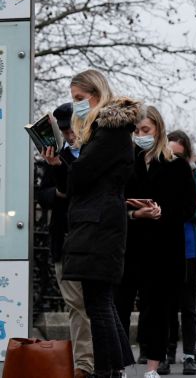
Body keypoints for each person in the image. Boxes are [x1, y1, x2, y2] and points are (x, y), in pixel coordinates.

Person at [60, 69, 140, 378]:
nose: (77, 105)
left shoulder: (109, 133)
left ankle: (108, 370)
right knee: (99, 302)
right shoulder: (107, 132)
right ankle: (112, 368)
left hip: (98, 224)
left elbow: (80, 177)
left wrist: (70, 158)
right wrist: (64, 161)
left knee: (99, 304)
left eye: (80, 99)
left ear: (96, 95)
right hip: (97, 221)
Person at [115, 105, 196, 378]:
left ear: (159, 129)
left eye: (145, 130)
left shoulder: (178, 166)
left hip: (164, 248)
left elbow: (189, 206)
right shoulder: (126, 162)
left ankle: (153, 366)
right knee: (121, 306)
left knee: (159, 309)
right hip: (131, 246)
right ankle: (121, 366)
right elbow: (115, 201)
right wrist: (135, 213)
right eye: (136, 131)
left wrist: (163, 212)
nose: (140, 135)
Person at [40, 103, 94, 378]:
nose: (69, 135)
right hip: (64, 238)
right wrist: (58, 191)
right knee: (75, 305)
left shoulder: (92, 155)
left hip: (90, 238)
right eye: (64, 131)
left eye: (70, 129)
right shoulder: (57, 156)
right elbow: (44, 193)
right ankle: (83, 363)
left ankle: (94, 360)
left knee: (95, 305)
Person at [160, 130, 196, 375]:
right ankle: (167, 353)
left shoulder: (194, 174)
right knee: (166, 304)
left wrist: (177, 209)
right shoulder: (158, 173)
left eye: (180, 156)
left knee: (188, 305)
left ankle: (188, 354)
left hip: (187, 247)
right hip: (164, 246)